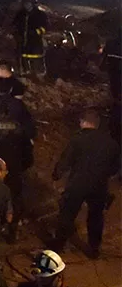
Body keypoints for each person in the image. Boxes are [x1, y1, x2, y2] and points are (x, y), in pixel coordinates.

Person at [49, 108, 120, 258]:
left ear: (83, 122)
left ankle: (58, 246)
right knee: (96, 216)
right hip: (99, 185)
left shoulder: (77, 139)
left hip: (77, 183)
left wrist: (56, 175)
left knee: (67, 213)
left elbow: (65, 160)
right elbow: (115, 167)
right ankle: (94, 249)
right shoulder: (111, 143)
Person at [0, 103, 32, 240]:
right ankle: (12, 231)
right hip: (15, 171)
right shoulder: (19, 129)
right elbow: (29, 157)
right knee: (15, 199)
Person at [14, 0, 48, 77]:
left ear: (33, 4)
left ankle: (39, 73)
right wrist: (17, 34)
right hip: (23, 41)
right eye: (25, 3)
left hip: (35, 41)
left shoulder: (40, 15)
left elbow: (45, 27)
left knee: (36, 57)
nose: (27, 5)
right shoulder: (20, 14)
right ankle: (26, 72)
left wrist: (36, 32)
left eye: (28, 3)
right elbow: (15, 25)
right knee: (23, 56)